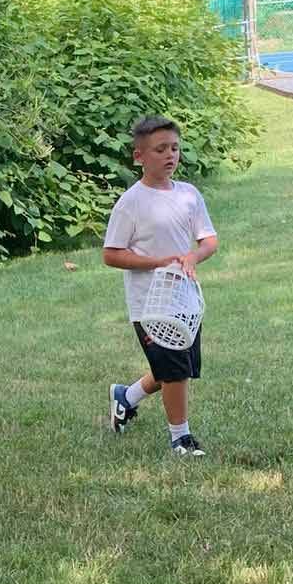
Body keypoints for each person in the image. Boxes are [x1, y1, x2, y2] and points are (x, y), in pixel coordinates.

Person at [104, 115, 217, 457]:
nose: (170, 155)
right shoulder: (131, 203)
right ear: (139, 156)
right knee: (174, 371)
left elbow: (209, 240)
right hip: (149, 306)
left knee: (176, 368)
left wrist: (193, 258)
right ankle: (180, 438)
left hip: (185, 300)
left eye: (174, 148)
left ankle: (126, 397)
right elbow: (111, 255)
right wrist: (158, 262)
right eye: (160, 150)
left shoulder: (189, 195)